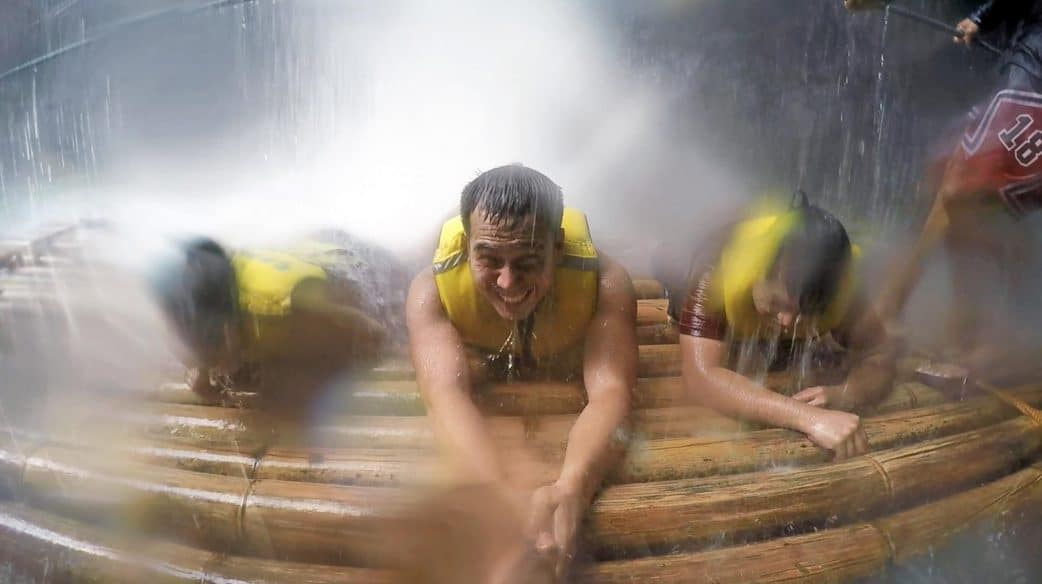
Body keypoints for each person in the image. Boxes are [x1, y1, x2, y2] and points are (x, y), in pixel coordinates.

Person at [405, 164, 635, 579]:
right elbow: (444, 393)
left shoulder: (608, 283)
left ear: (558, 248)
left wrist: (571, 486)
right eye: (489, 260)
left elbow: (611, 391)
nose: (508, 283)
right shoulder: (429, 292)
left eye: (527, 262)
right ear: (468, 246)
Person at [874, 1, 1042, 376]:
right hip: (1025, 72)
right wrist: (984, 18)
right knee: (952, 181)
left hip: (1030, 85)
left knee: (962, 187)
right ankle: (964, 331)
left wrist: (984, 17)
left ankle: (986, 340)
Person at [678, 193, 895, 460]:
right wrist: (809, 418)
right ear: (757, 272)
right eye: (777, 303)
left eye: (805, 311)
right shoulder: (716, 271)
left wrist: (845, 393)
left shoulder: (836, 285)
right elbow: (700, 378)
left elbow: (881, 356)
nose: (787, 322)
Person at [154, 231, 406, 410]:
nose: (215, 367)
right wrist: (202, 375)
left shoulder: (284, 307)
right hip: (302, 255)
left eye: (213, 352)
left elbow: (369, 329)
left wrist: (381, 349)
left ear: (229, 328)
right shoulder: (202, 306)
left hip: (344, 266)